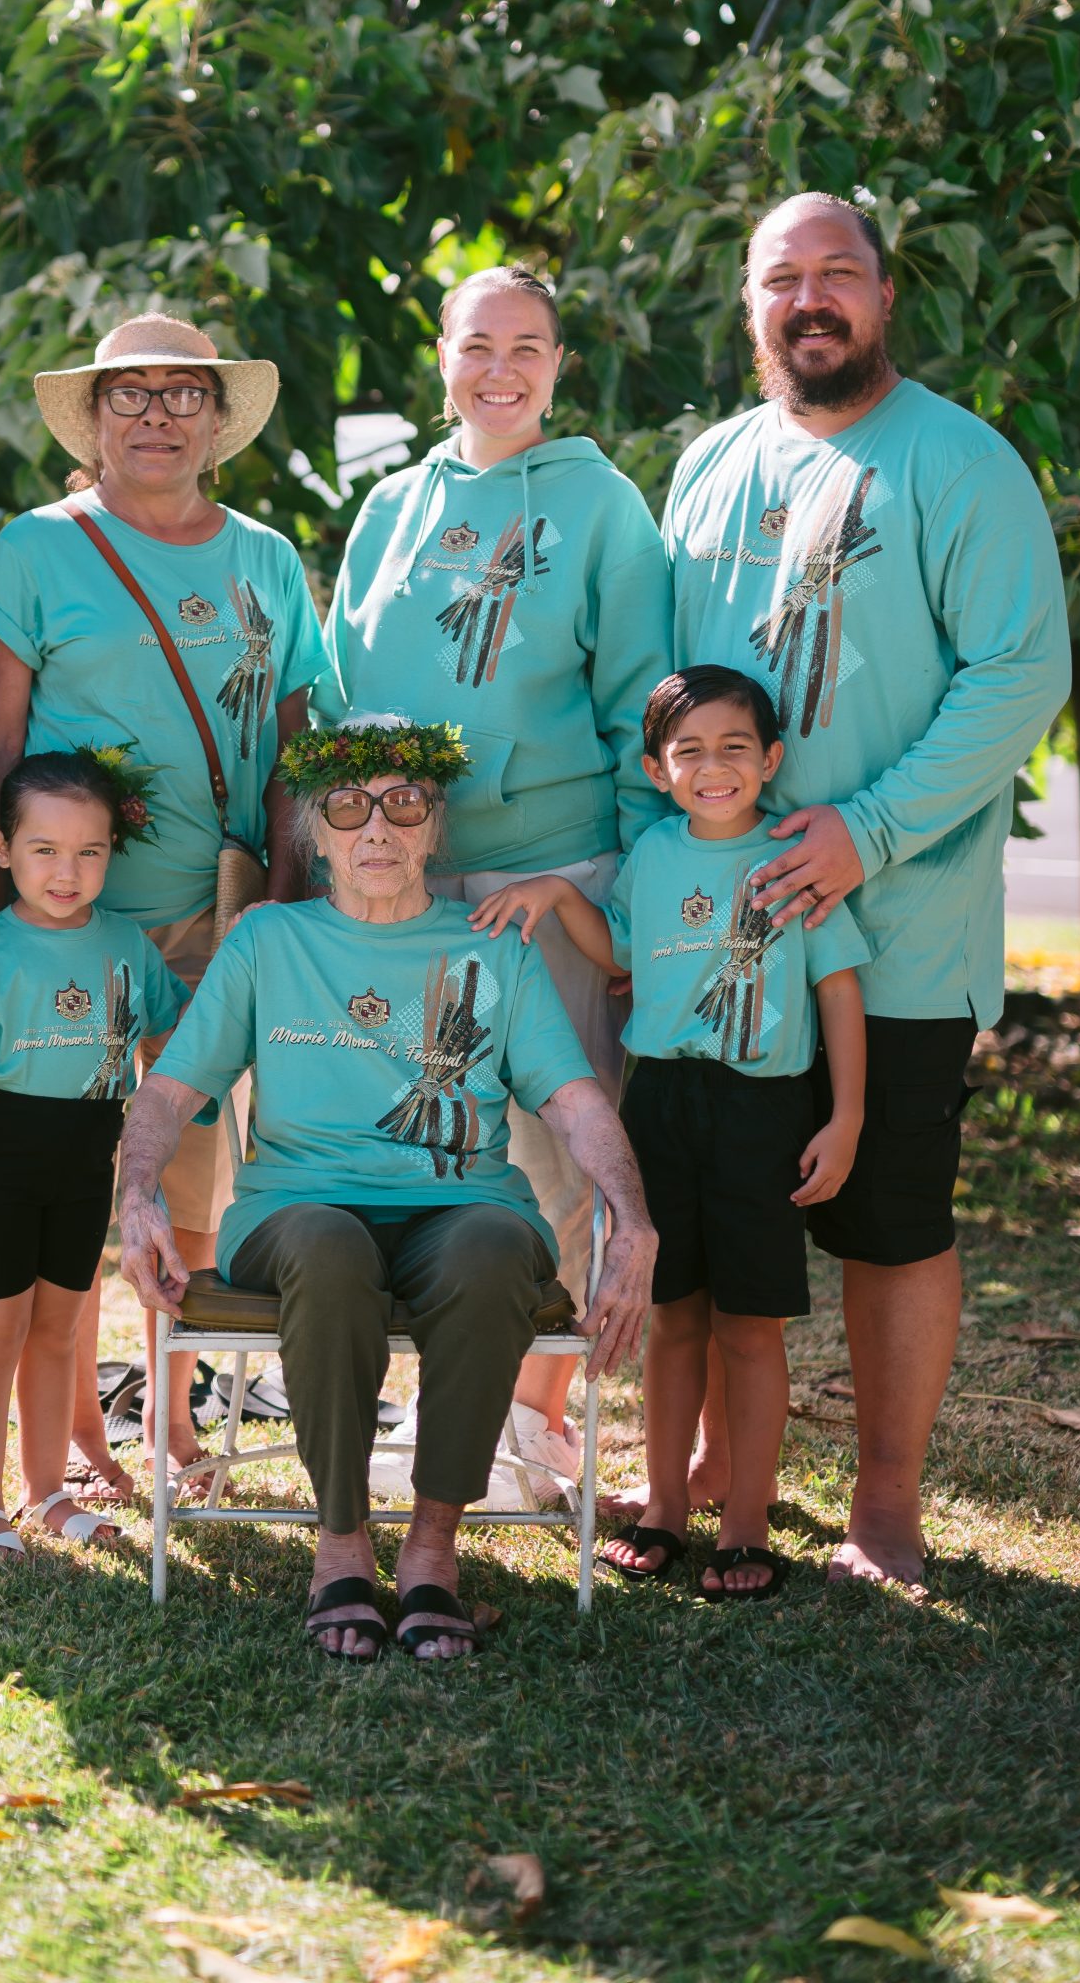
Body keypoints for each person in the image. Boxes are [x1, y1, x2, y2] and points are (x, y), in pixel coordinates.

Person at [660, 191, 1071, 1585]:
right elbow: (666, 697)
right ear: (749, 305)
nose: (810, 299)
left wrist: (870, 830)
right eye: (782, 277)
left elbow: (1018, 672)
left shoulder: (957, 464)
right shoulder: (708, 465)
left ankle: (883, 1502)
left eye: (838, 274)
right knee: (720, 1217)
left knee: (887, 1219)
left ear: (885, 298)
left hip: (893, 928)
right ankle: (727, 1465)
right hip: (720, 947)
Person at [116, 717, 657, 1663]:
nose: (376, 829)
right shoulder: (267, 941)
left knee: (494, 1248)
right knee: (329, 1247)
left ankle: (432, 1552)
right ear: (314, 833)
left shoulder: (492, 947)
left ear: (433, 827)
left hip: (460, 1208)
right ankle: (341, 1549)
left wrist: (633, 1220)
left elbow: (573, 1104)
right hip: (296, 1212)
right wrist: (136, 1197)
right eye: (347, 808)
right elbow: (169, 1091)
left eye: (403, 804)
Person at [0, 314, 327, 1488]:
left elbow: (290, 740)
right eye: (130, 395)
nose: (157, 414)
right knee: (76, 1177)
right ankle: (72, 1436)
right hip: (73, 916)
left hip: (214, 920)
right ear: (95, 418)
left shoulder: (266, 556)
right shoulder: (37, 547)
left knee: (193, 1185)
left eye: (182, 394)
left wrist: (278, 892)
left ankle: (168, 1419)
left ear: (218, 420)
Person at [322, 267, 670, 1491]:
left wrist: (620, 908)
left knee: (550, 1151)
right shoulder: (389, 510)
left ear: (559, 365)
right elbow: (344, 697)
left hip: (551, 875)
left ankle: (534, 1412)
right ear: (441, 359)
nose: (500, 370)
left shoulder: (603, 506)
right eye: (478, 346)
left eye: (526, 347)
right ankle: (438, 1397)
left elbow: (642, 711)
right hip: (407, 879)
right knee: (422, 1141)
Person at [472, 666, 867, 1599]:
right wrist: (558, 898)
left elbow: (837, 987)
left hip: (762, 1112)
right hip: (660, 1104)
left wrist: (845, 1117)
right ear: (657, 769)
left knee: (750, 1328)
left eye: (735, 747)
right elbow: (622, 956)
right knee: (672, 1318)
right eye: (689, 751)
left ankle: (743, 1521)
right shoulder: (651, 855)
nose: (713, 766)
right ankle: (662, 1510)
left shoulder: (790, 854)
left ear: (770, 760)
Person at [0, 751, 187, 1562]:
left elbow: (165, 1044)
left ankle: (46, 1491)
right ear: (1, 849)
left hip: (88, 1161)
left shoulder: (127, 944)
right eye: (43, 850)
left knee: (58, 1331)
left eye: (88, 851)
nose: (66, 870)